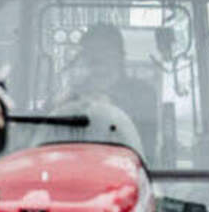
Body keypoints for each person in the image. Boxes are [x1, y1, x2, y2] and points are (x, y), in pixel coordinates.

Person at [67, 24, 158, 155]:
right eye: (92, 55)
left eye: (106, 54)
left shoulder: (142, 95)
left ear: (120, 57)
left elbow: (146, 151)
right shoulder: (71, 96)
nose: (99, 64)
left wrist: (109, 106)